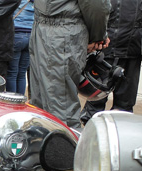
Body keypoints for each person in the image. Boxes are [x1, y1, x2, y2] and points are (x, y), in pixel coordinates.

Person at [28, 0, 110, 129]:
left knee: (45, 104)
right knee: (60, 109)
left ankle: (52, 146)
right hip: (62, 32)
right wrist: (98, 36)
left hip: (45, 28)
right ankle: (61, 147)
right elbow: (97, 6)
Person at [80, 0, 142, 123]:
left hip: (132, 49)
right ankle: (89, 132)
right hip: (105, 50)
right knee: (95, 101)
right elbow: (95, 12)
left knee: (124, 107)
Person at [6, 0, 34, 94]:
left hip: (17, 34)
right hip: (31, 36)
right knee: (22, 73)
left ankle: (12, 102)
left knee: (12, 73)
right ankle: (20, 101)